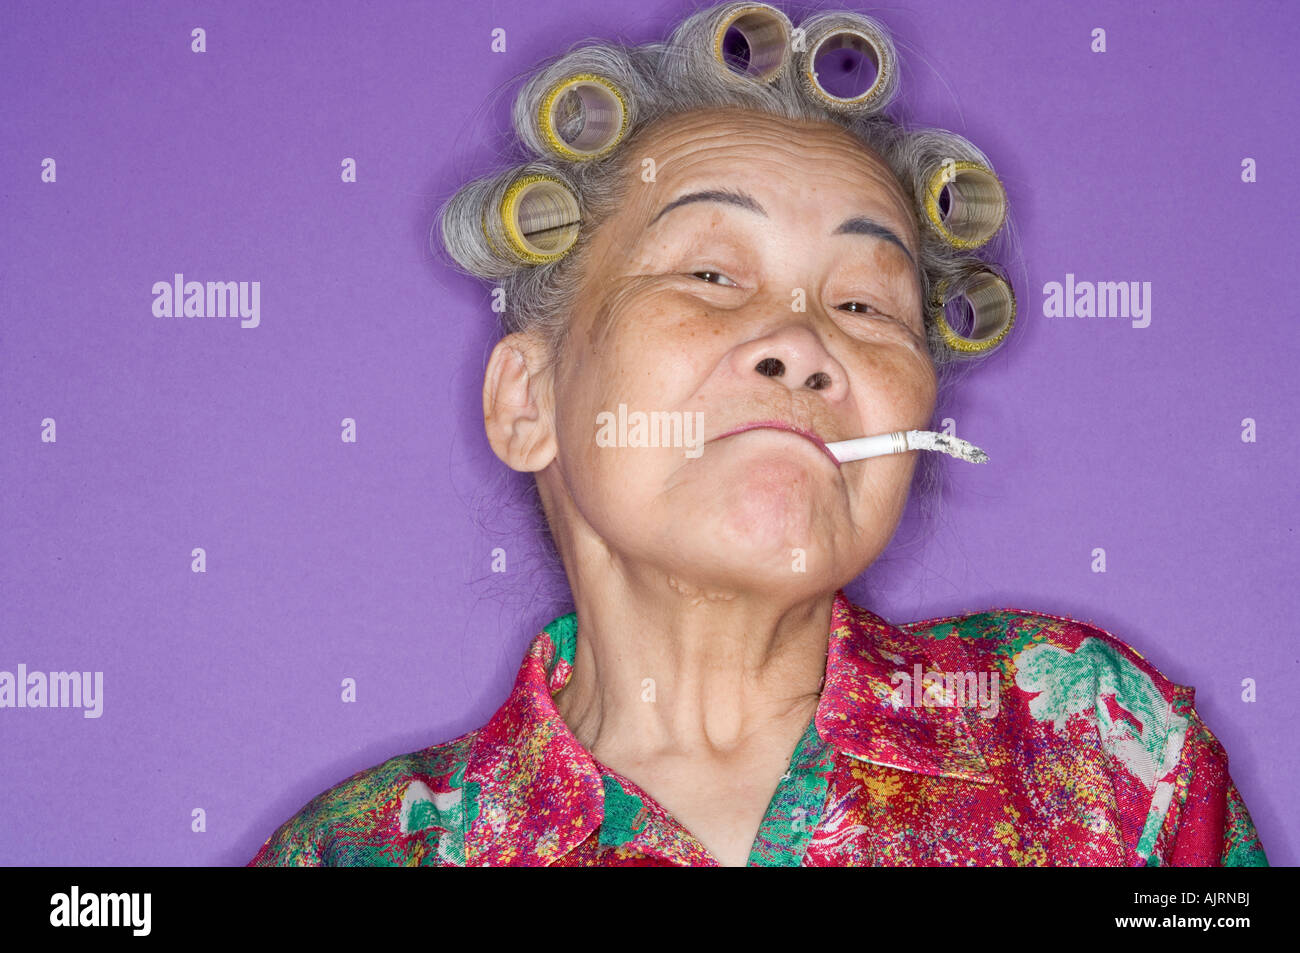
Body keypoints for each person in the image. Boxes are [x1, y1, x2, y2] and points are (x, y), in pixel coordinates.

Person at [248, 1, 1266, 866]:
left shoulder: (1101, 746)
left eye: (865, 306)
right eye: (710, 275)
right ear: (528, 397)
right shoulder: (364, 852)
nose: (800, 342)